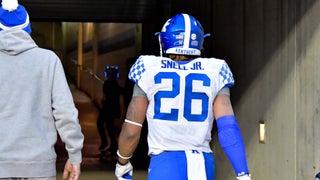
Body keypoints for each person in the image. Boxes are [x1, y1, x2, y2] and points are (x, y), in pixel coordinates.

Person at [115, 13, 252, 180]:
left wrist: (122, 162)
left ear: (165, 40)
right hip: (203, 164)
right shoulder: (216, 70)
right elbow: (227, 128)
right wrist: (242, 173)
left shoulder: (148, 68)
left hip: (165, 164)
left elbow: (131, 130)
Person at [0, 0, 84, 180]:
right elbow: (65, 112)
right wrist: (74, 155)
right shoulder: (48, 61)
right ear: (28, 29)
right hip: (39, 168)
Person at [97, 65, 125, 156]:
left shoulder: (110, 84)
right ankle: (112, 145)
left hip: (109, 109)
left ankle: (109, 144)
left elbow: (110, 94)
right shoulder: (111, 84)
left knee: (103, 124)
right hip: (109, 109)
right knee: (109, 127)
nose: (109, 75)